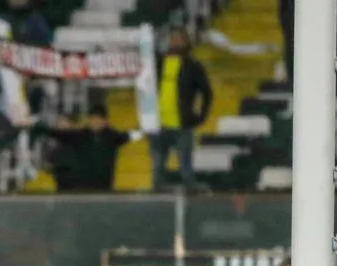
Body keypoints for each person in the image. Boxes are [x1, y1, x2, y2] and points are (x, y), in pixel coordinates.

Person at [151, 28, 212, 191]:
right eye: (173, 38)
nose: (176, 42)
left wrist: (201, 116)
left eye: (180, 39)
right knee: (157, 171)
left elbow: (207, 92)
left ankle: (190, 204)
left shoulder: (193, 66)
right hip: (158, 125)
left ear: (186, 42)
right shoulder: (158, 63)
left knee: (186, 170)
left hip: (182, 125)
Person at [34, 105, 142, 191]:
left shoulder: (112, 136)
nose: (95, 122)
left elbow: (130, 135)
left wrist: (146, 131)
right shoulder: (80, 135)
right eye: (93, 119)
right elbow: (58, 133)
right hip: (82, 187)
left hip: (104, 186)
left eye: (98, 119)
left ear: (105, 121)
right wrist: (39, 127)